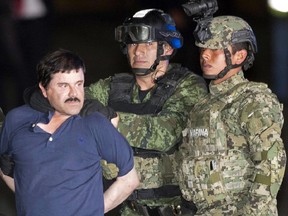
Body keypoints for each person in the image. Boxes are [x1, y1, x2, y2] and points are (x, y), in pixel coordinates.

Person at [85, 9, 208, 216]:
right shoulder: (114, 86)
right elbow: (73, 99)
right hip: (127, 209)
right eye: (133, 44)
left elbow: (166, 133)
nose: (138, 51)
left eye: (148, 44)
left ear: (167, 48)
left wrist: (110, 119)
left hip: (175, 209)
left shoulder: (189, 86)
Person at [0, 49, 139, 216]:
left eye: (79, 84)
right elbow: (5, 169)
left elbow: (130, 179)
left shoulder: (95, 122)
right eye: (63, 85)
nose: (74, 93)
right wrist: (35, 199)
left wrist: (92, 210)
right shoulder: (16, 120)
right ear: (44, 90)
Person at [178, 15, 286, 215]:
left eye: (215, 49)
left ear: (239, 56)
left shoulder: (252, 100)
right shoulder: (201, 106)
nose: (205, 56)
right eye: (203, 49)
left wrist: (252, 212)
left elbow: (271, 161)